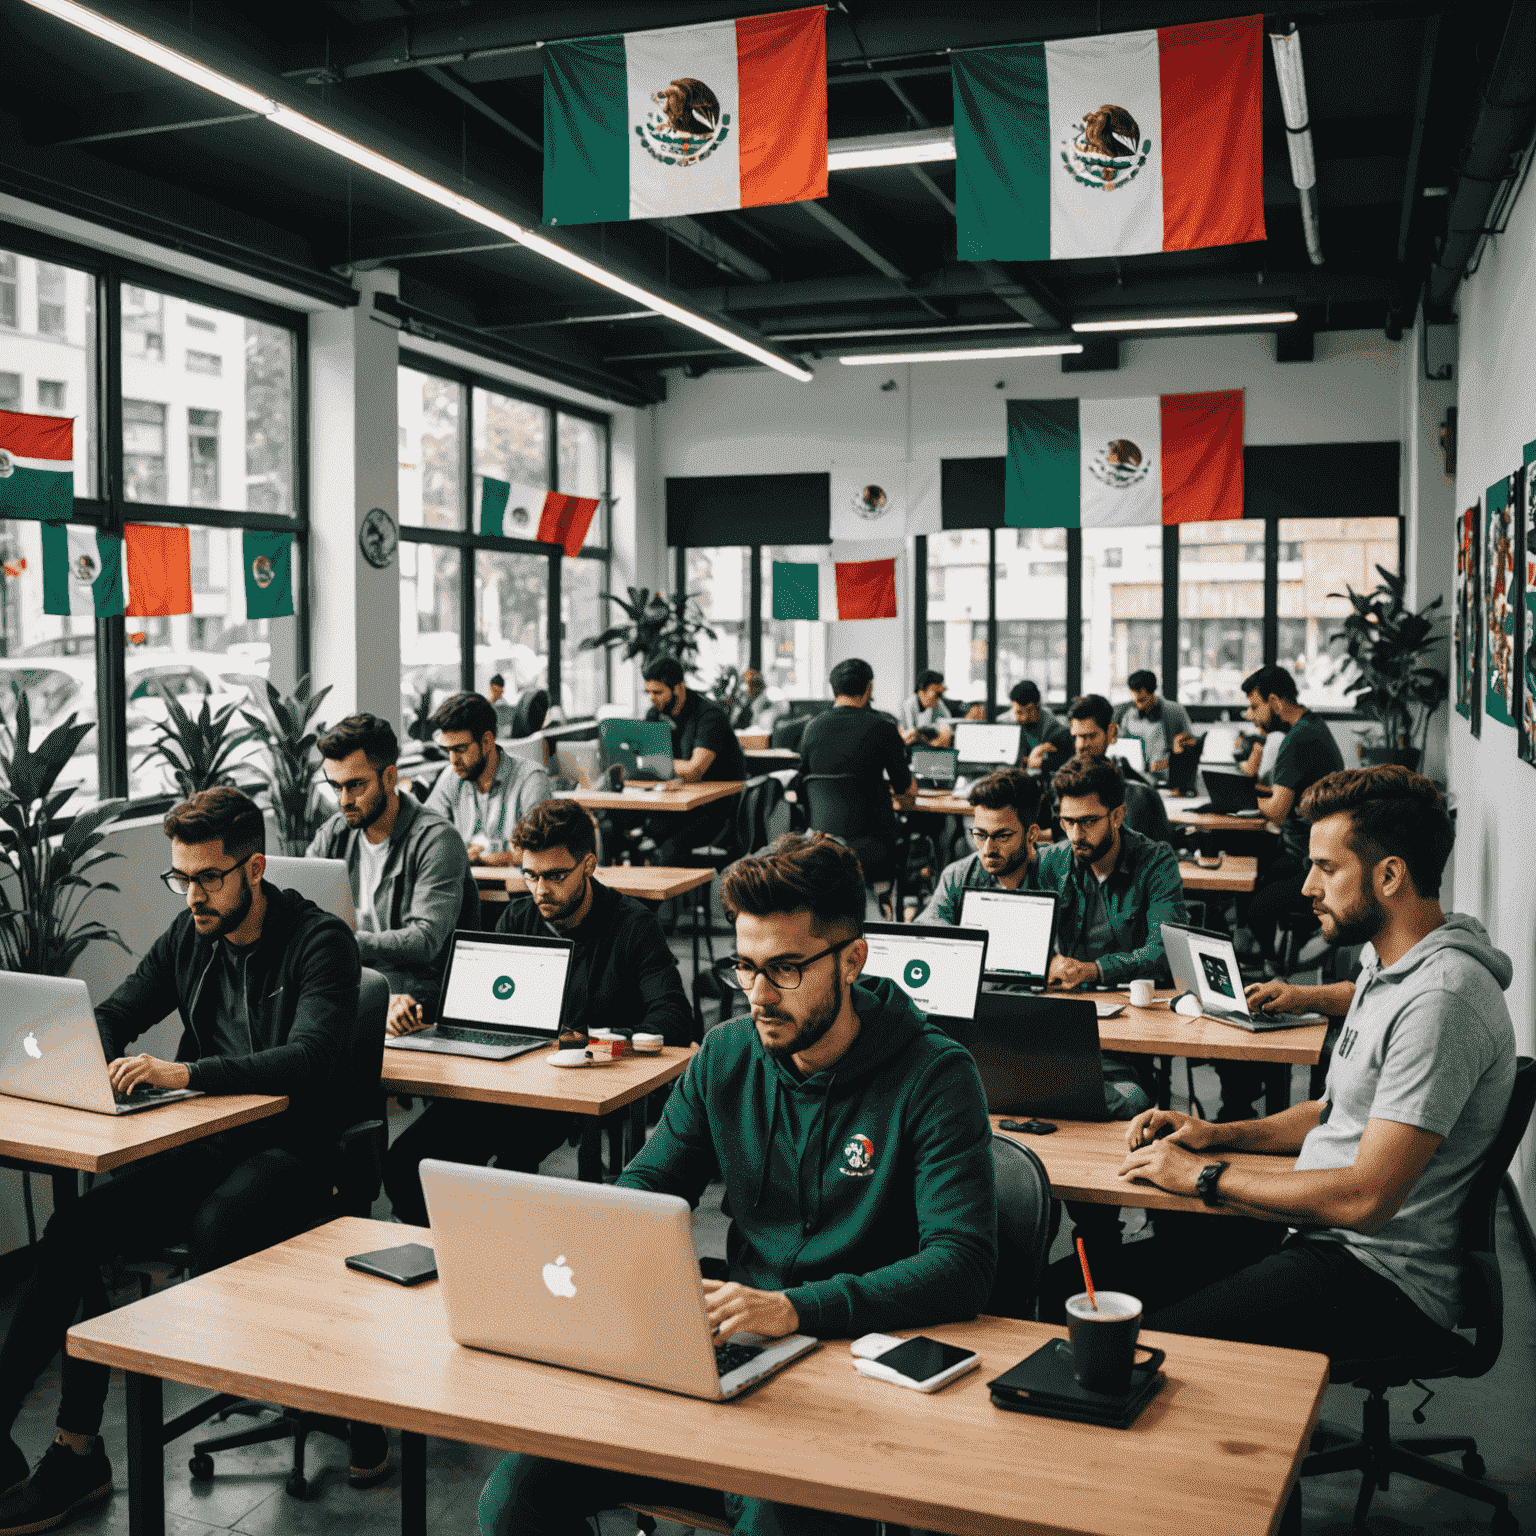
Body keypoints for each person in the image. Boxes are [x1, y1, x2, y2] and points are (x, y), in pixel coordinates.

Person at [475, 832, 997, 1536]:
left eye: (784, 969)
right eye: (744, 968)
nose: (758, 995)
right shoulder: (726, 1053)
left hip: (854, 1368)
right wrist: (577, 1240)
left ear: (853, 960)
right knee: (512, 1500)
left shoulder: (935, 1075)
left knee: (778, 1524)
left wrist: (794, 1308)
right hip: (736, 1344)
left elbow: (961, 1264)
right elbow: (653, 1182)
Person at [0, 789, 372, 1534]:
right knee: (78, 1230)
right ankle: (74, 1453)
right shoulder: (189, 935)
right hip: (206, 1139)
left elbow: (311, 1058)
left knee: (218, 1223)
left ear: (255, 868)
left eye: (208, 877)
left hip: (298, 1145)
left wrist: (185, 1074)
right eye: (181, 877)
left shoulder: (319, 941)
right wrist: (70, 1052)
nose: (193, 895)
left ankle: (338, 1386)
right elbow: (114, 1014)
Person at [1071, 768, 1516, 1364]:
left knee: (1141, 1346)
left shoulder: (1442, 999)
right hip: (1317, 1228)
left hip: (1380, 1271)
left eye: (1327, 869)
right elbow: (1329, 1113)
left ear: (1389, 876)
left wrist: (1205, 1176)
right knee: (1082, 1291)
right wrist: (1215, 1136)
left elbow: (1366, 1199)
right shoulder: (1388, 967)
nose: (1307, 887)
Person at [383, 800, 691, 1226]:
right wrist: (417, 1005)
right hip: (507, 1081)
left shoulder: (632, 925)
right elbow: (475, 997)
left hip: (574, 1087)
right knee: (405, 1163)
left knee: (511, 1175)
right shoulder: (518, 916)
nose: (541, 889)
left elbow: (674, 1020)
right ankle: (453, 1262)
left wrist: (586, 1039)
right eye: (530, 875)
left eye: (555, 876)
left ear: (589, 864)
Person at [1218, 666, 1346, 1118]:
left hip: (1305, 856)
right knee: (1246, 882)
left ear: (1274, 699)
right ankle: (1265, 967)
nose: (1253, 715)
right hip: (1298, 849)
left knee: (1253, 904)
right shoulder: (1307, 729)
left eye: (1255, 705)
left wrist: (1239, 795)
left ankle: (1277, 973)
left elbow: (1276, 808)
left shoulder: (1299, 738)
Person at [308, 713, 474, 1035]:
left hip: (420, 1003)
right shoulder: (333, 835)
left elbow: (424, 939)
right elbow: (301, 919)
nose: (344, 801)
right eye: (335, 786)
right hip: (353, 993)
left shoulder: (437, 839)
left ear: (389, 778)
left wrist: (342, 943)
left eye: (356, 785)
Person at [796, 658, 916, 884]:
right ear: (869, 686)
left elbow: (802, 787)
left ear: (834, 688)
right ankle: (900, 905)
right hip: (871, 846)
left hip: (819, 843)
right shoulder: (884, 728)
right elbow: (906, 791)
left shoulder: (812, 728)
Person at [424, 692, 550, 868]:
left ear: (487, 741)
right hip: (465, 889)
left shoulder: (531, 779)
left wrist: (481, 858)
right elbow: (425, 837)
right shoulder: (451, 776)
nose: (453, 760)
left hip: (516, 892)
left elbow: (539, 853)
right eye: (448, 750)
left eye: (461, 749)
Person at [641, 654, 747, 865]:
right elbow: (652, 767)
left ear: (678, 688)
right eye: (649, 692)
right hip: (680, 803)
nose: (652, 698)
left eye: (658, 692)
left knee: (669, 848)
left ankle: (670, 896)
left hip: (717, 811)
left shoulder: (709, 716)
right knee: (633, 832)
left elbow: (695, 770)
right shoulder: (655, 715)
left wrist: (650, 762)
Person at [918, 768, 1043, 922]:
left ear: (1032, 834)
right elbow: (927, 931)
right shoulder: (957, 876)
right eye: (980, 835)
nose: (988, 849)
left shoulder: (1059, 876)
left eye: (1002, 836)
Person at [1064, 695, 1171, 844]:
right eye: (1076, 737)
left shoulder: (1141, 797)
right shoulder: (1063, 788)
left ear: (1112, 732)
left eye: (1091, 736)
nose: (1081, 745)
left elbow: (1161, 857)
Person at [1115, 670, 1197, 776]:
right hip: (1138, 771)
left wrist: (1175, 753)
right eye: (1135, 701)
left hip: (1167, 771)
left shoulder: (1174, 711)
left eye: (1142, 701)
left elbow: (1193, 744)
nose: (1139, 706)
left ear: (1152, 692)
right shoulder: (1127, 712)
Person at [1003, 679, 1073, 773]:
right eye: (1018, 712)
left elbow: (1066, 762)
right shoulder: (1004, 724)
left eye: (1029, 710)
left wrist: (1043, 762)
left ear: (1038, 705)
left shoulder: (1057, 731)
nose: (1024, 717)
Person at [897, 669, 953, 748]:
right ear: (921, 691)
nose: (938, 698)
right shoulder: (908, 705)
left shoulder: (937, 703)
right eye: (936, 693)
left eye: (940, 694)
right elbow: (910, 735)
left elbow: (948, 722)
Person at [486, 673, 518, 737]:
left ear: (502, 690)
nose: (496, 694)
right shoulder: (485, 705)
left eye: (498, 691)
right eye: (495, 690)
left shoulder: (505, 707)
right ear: (491, 687)